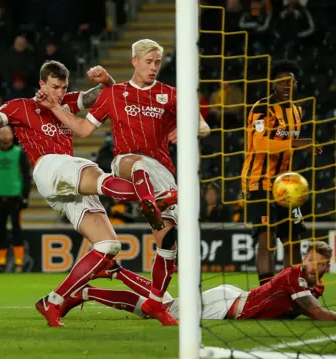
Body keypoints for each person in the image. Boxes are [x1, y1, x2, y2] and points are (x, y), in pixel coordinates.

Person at [0, 61, 176, 327]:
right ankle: (157, 196)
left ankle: (54, 301)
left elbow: (109, 94)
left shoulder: (71, 102)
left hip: (67, 183)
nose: (60, 94)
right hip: (49, 167)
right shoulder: (20, 107)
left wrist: (106, 80)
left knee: (108, 246)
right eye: (54, 87)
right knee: (99, 177)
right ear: (42, 85)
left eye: (63, 87)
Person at [34, 39, 211, 326]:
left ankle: (154, 302)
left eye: (157, 62)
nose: (153, 67)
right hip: (127, 162)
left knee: (168, 243)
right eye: (148, 61)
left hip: (162, 171)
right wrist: (55, 108)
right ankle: (152, 202)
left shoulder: (171, 95)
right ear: (134, 61)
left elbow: (204, 126)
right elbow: (82, 128)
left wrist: (191, 128)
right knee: (135, 163)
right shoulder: (114, 93)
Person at [60, 241, 336, 322]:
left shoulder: (311, 285)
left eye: (324, 263)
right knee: (156, 308)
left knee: (164, 303)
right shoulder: (293, 275)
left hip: (233, 297)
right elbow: (314, 312)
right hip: (226, 305)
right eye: (314, 261)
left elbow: (306, 308)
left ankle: (115, 272)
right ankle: (88, 291)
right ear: (305, 260)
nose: (318, 267)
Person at [240, 60, 321, 286]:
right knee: (267, 239)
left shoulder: (297, 110)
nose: (286, 86)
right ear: (273, 84)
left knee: (292, 238)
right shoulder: (261, 109)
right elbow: (261, 144)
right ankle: (265, 291)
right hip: (258, 182)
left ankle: (292, 288)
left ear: (296, 84)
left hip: (285, 186)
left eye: (290, 82)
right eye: (281, 82)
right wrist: (297, 143)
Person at [0, 125, 31, 274]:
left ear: (12, 135)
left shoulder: (19, 153)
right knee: (0, 231)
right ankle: (2, 264)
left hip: (15, 197)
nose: (4, 136)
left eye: (7, 133)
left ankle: (19, 264)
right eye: (2, 133)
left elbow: (26, 176)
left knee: (17, 230)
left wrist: (25, 196)